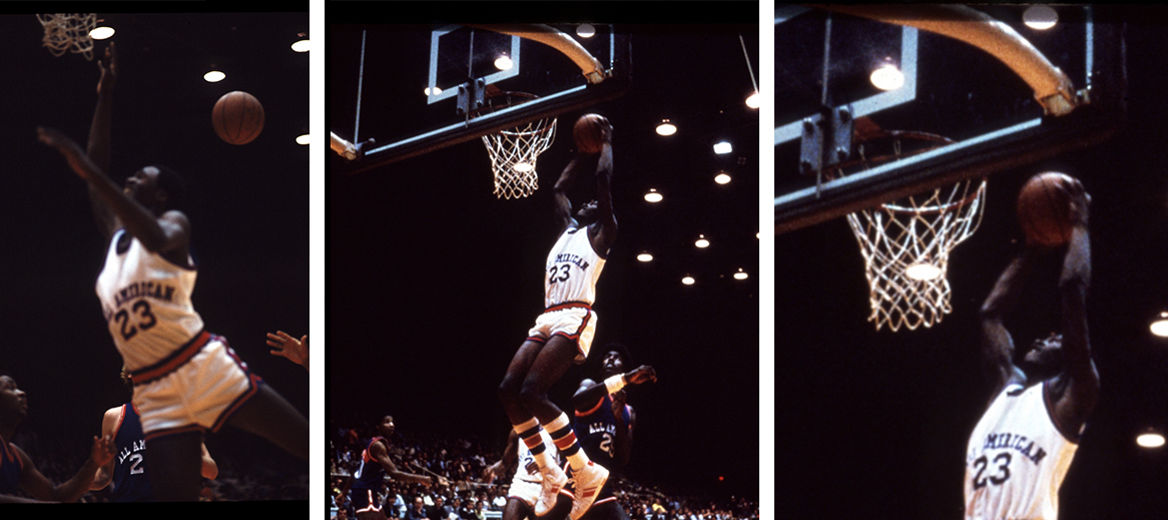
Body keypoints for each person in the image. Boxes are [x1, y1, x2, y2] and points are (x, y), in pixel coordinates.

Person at [36, 41, 307, 501]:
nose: (129, 180)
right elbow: (97, 164)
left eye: (141, 177)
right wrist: (106, 94)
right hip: (153, 390)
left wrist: (90, 173)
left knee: (306, 443)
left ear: (160, 196)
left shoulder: (174, 226)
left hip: (199, 363)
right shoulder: (116, 239)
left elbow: (125, 205)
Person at [496, 114, 617, 518]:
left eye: (593, 203)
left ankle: (585, 471)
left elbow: (603, 183)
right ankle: (549, 470)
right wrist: (580, 154)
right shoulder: (566, 229)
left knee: (533, 392)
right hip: (547, 316)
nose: (586, 203)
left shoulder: (603, 233)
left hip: (576, 315)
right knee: (508, 390)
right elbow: (559, 188)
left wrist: (605, 144)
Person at [965, 176, 1097, 519]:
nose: (1042, 339)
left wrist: (1079, 226)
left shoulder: (1072, 397)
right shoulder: (1006, 391)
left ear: (1070, 350)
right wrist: (1031, 249)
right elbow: (990, 314)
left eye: (1055, 337)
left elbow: (1072, 288)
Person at [90, 368, 218, 501]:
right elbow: (104, 475)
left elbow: (212, 471)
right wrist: (79, 481)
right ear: (130, 373)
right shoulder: (114, 417)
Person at [566, 345, 657, 520]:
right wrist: (623, 379)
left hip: (601, 484)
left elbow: (623, 459)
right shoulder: (590, 386)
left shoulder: (628, 411)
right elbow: (577, 401)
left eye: (616, 357)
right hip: (574, 475)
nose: (610, 359)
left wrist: (618, 420)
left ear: (624, 367)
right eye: (607, 356)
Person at [0, 372, 114, 503]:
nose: (21, 393)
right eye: (10, 388)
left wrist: (94, 463)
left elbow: (56, 496)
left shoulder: (17, 456)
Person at [349, 415, 446, 520]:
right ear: (378, 426)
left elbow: (356, 472)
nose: (392, 425)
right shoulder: (378, 446)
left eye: (392, 422)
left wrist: (344, 493)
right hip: (365, 491)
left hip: (365, 490)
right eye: (387, 422)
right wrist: (421, 479)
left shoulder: (372, 442)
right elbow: (394, 473)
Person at [482, 427, 571, 520]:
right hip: (522, 484)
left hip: (547, 487)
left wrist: (546, 465)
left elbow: (569, 460)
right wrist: (493, 469)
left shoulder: (554, 427)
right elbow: (505, 462)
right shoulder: (517, 430)